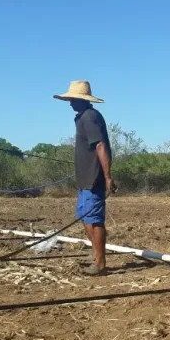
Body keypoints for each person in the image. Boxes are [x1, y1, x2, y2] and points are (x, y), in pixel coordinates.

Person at [53, 80, 116, 275]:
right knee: (84, 216)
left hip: (93, 177)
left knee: (95, 219)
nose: (70, 102)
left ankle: (100, 262)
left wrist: (107, 176)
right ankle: (96, 254)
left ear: (82, 100)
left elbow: (100, 146)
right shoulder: (82, 117)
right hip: (84, 178)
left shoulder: (89, 117)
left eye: (73, 99)